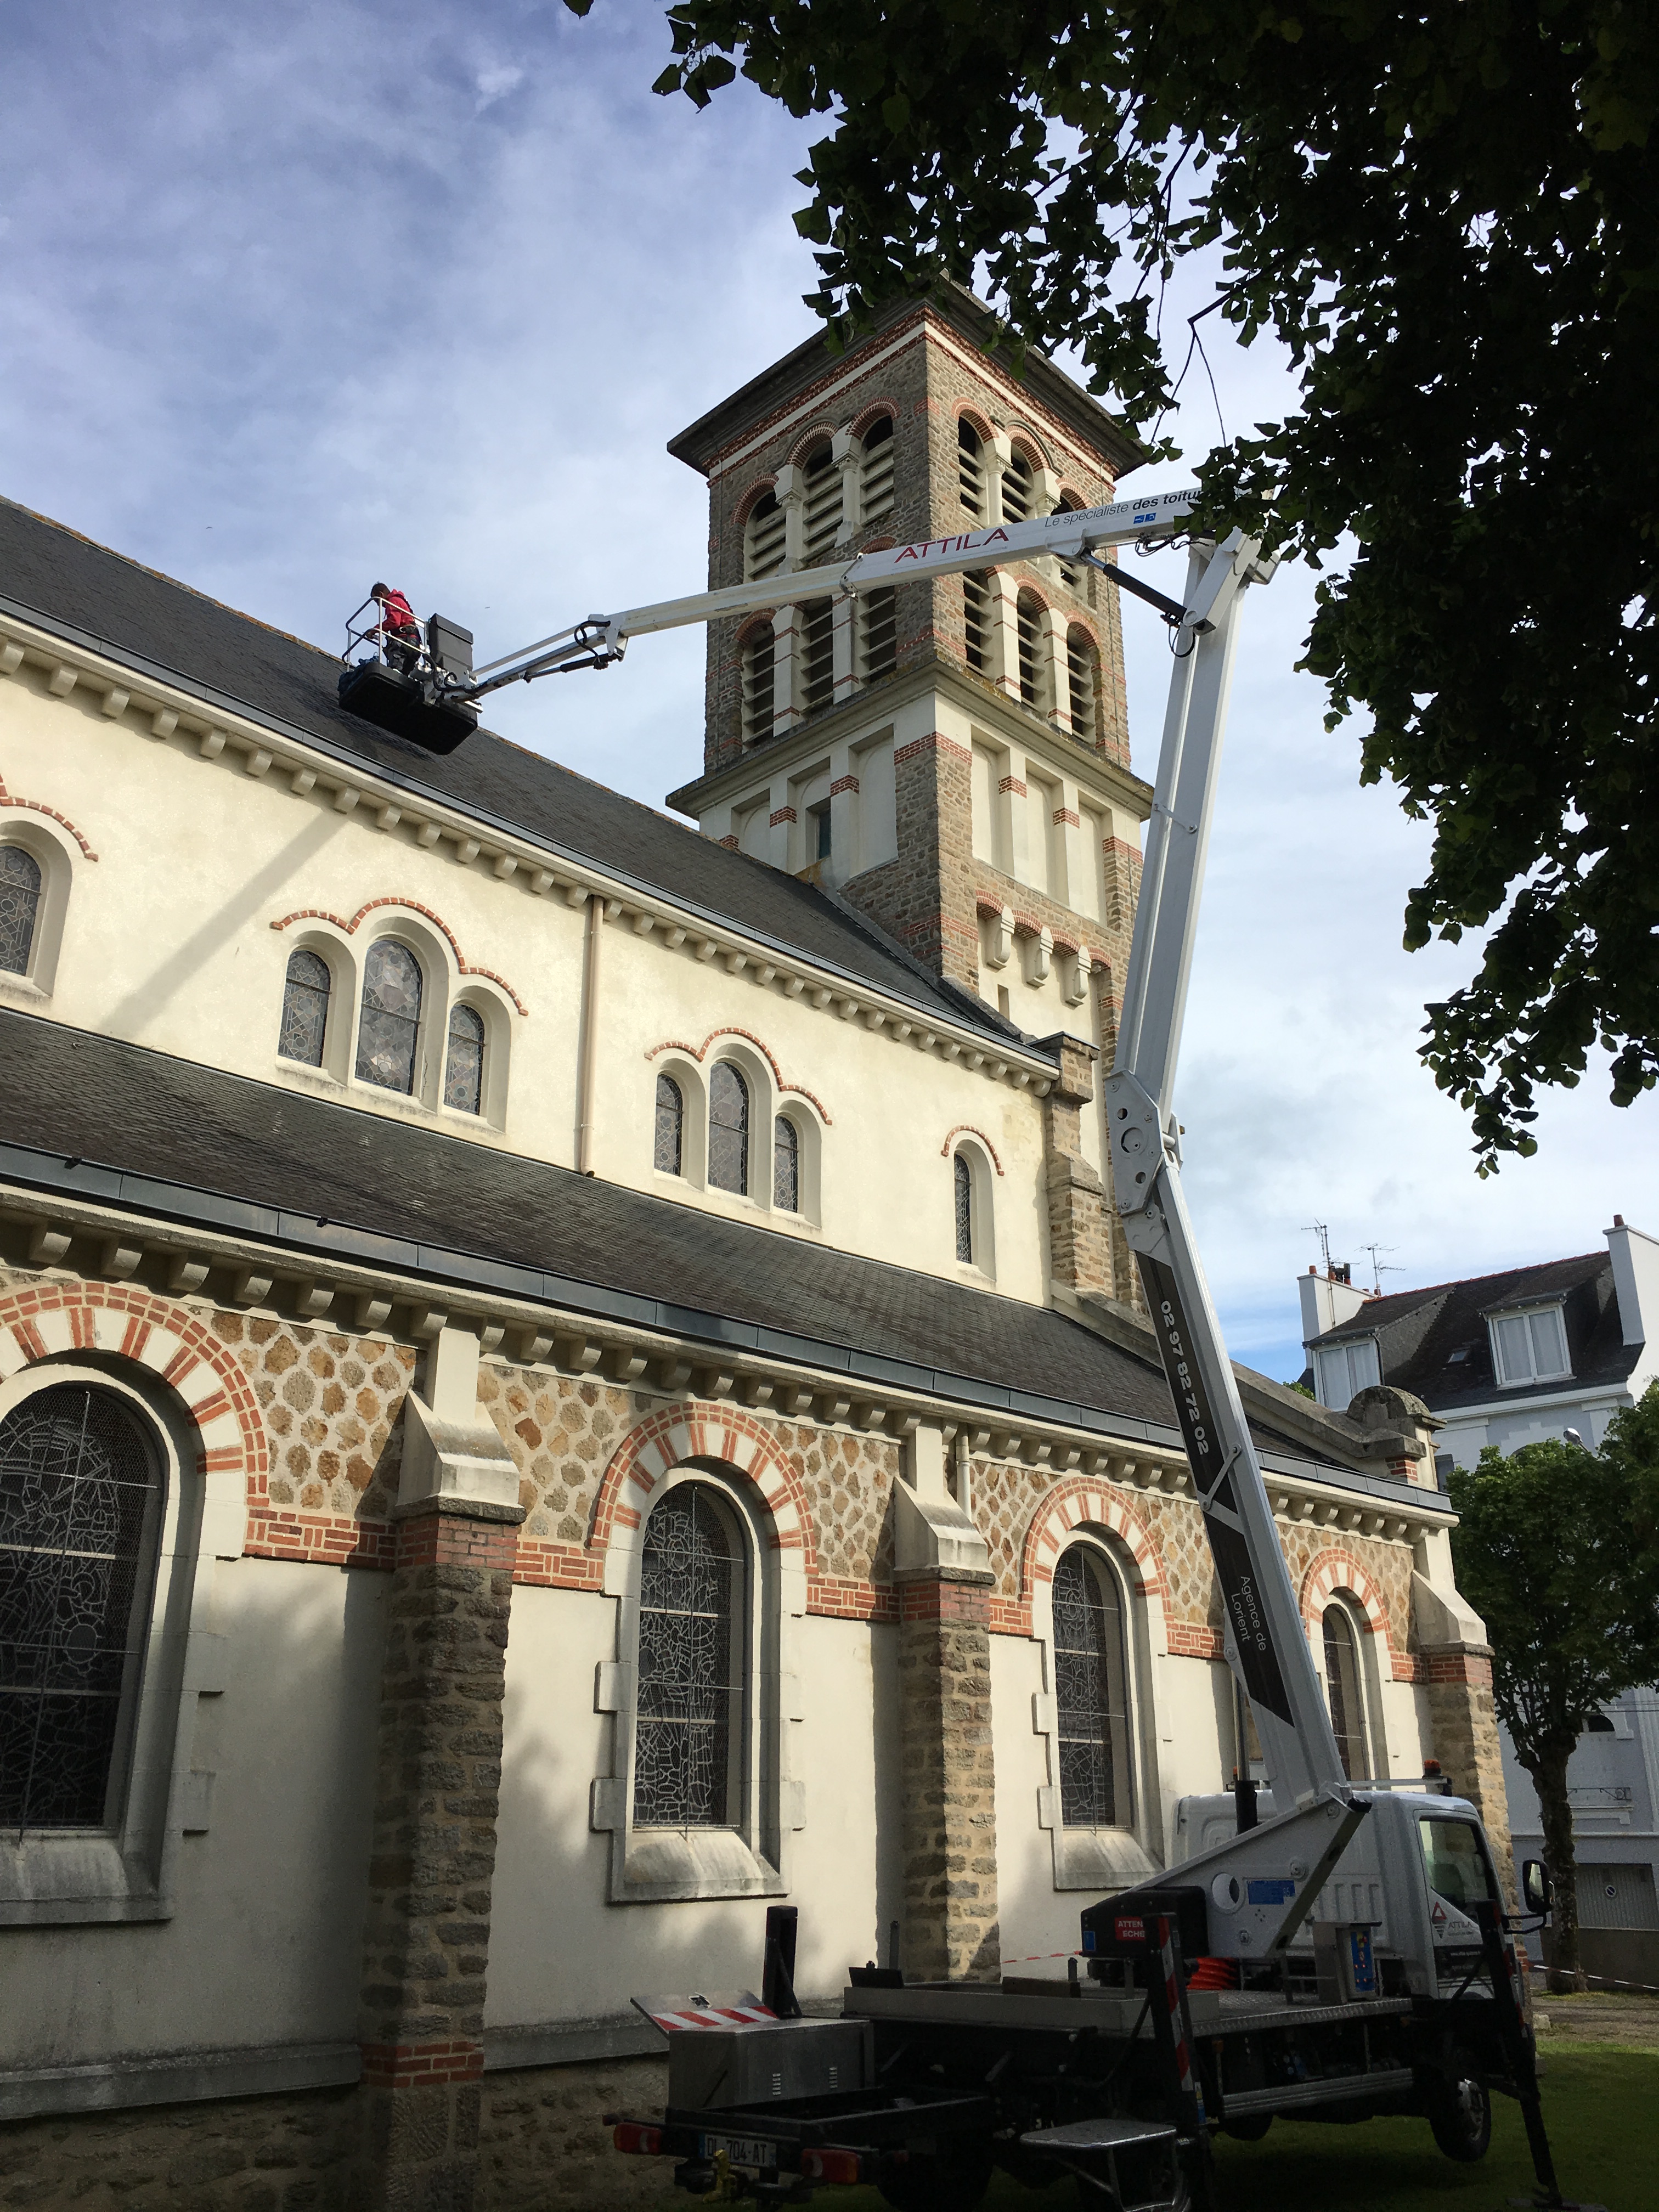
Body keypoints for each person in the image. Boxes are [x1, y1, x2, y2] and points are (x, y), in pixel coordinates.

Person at [370, 583, 421, 676]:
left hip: (404, 643)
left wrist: (375, 630)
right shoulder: (399, 600)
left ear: (381, 595)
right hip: (413, 643)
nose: (379, 605)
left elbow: (394, 622)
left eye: (377, 601)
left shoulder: (393, 601)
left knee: (394, 674)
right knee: (405, 677)